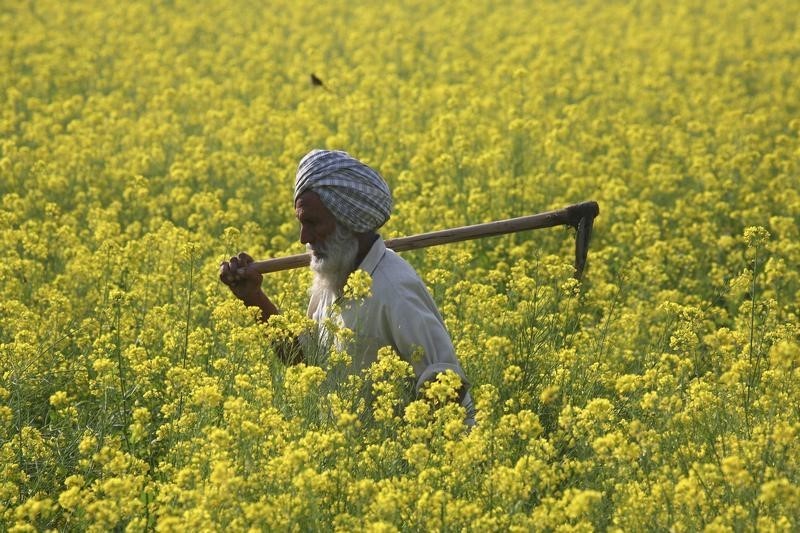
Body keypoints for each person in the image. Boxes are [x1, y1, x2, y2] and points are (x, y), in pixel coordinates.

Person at [219, 149, 474, 424]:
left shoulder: (393, 289)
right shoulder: (332, 279)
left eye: (313, 223)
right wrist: (253, 297)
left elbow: (448, 383)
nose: (304, 237)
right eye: (301, 223)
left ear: (348, 221)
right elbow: (305, 360)